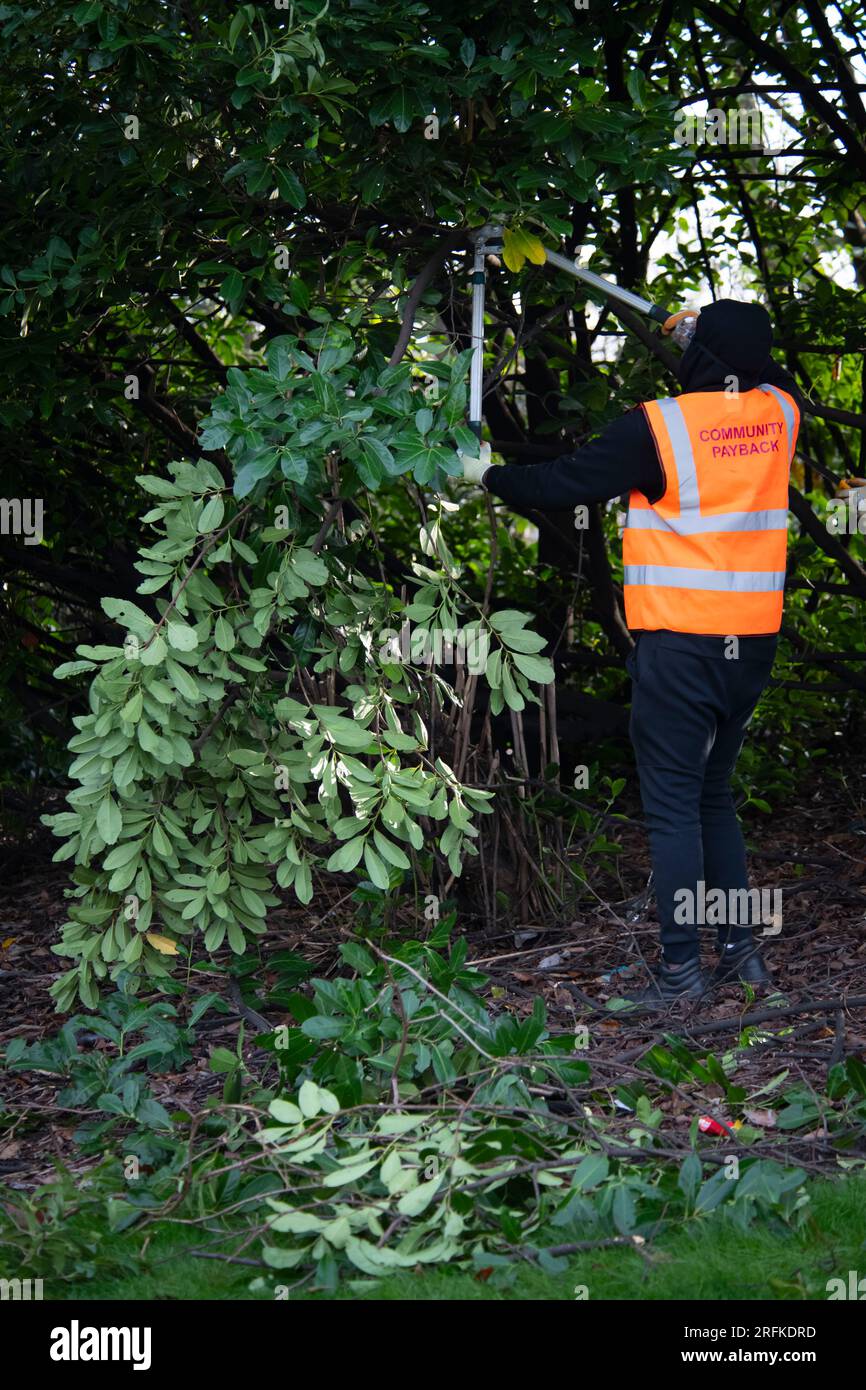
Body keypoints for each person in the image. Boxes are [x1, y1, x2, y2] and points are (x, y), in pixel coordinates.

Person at [462, 299, 801, 1004]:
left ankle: (681, 973)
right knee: (714, 797)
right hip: (750, 647)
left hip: (681, 645)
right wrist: (701, 333)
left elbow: (561, 484)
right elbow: (751, 370)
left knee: (675, 806)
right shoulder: (781, 414)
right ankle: (742, 957)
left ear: (701, 357)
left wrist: (484, 476)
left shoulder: (661, 427)